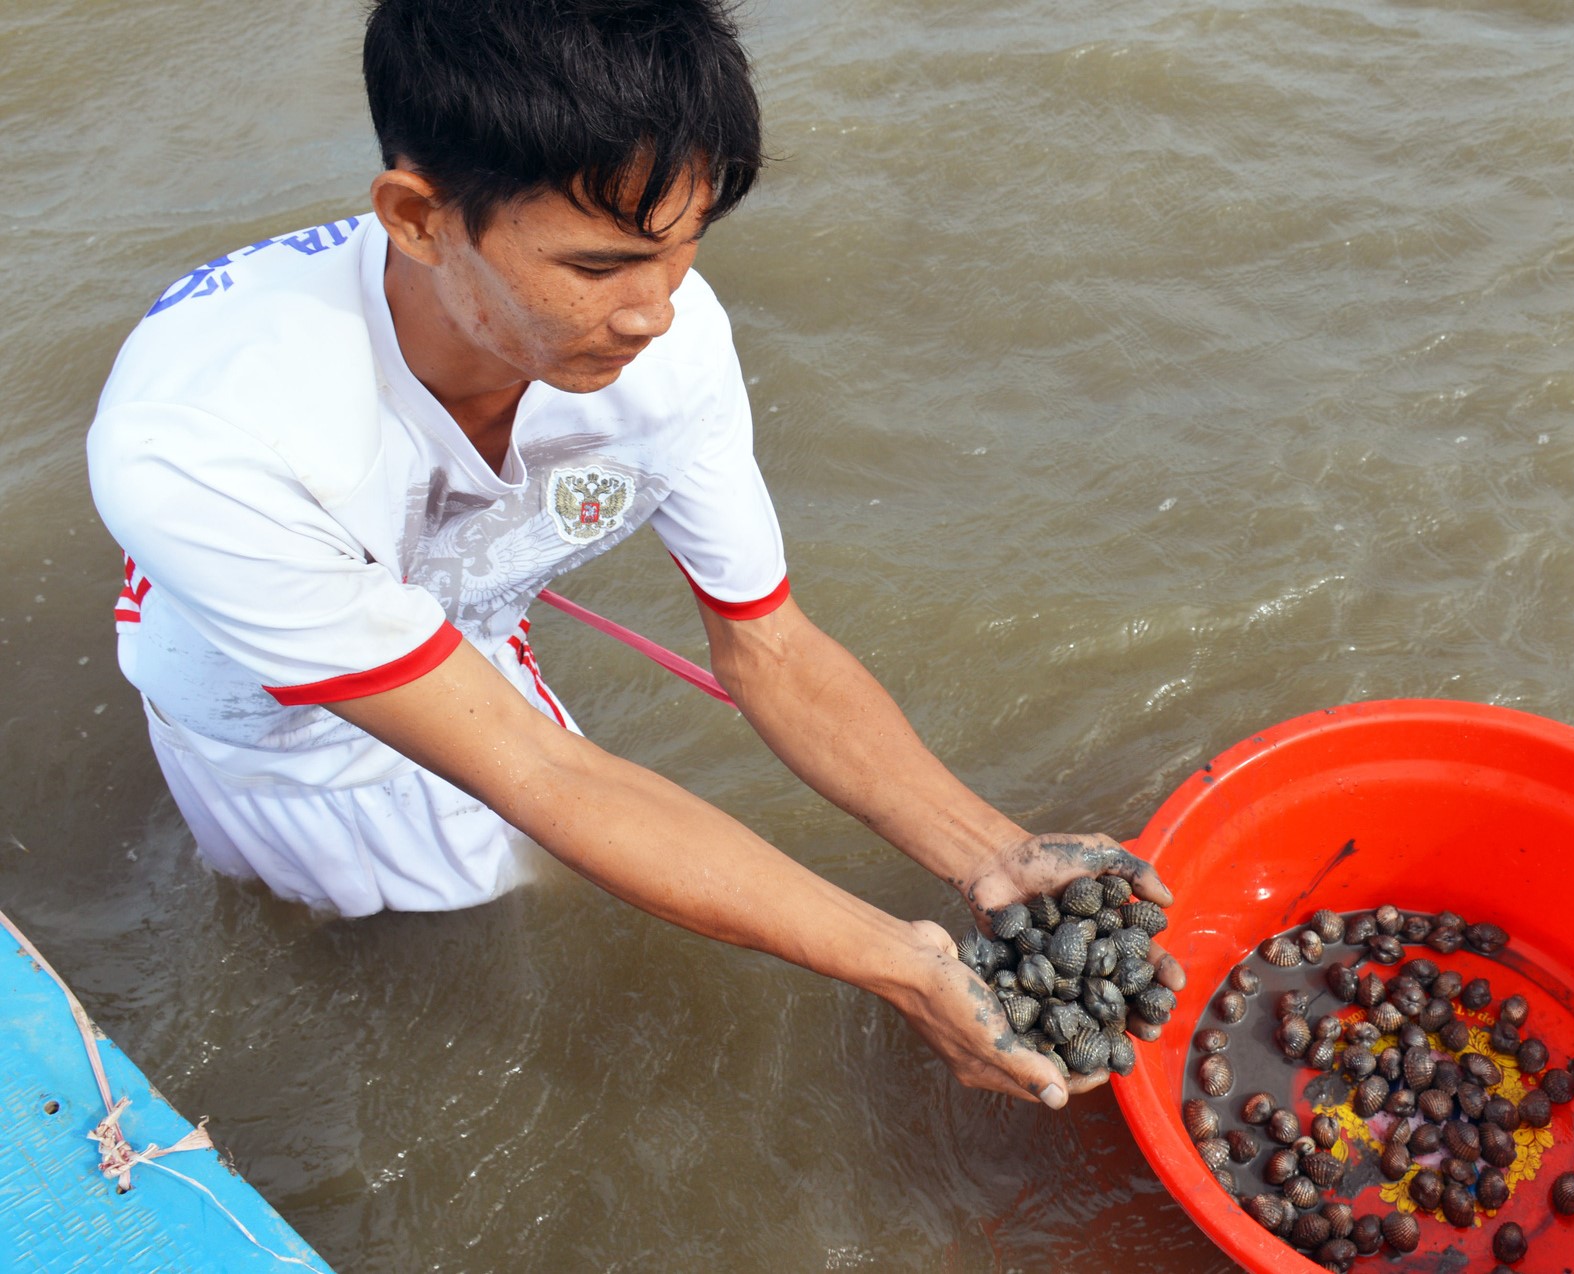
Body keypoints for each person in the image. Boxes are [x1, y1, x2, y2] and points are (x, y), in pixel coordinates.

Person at [85, 0, 1177, 1109]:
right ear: (418, 218)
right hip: (276, 721)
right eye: (601, 264)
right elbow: (542, 773)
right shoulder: (211, 442)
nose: (654, 313)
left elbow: (771, 650)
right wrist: (899, 962)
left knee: (523, 868)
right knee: (370, 902)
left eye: (681, 246)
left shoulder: (669, 342)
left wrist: (989, 851)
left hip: (463, 623)